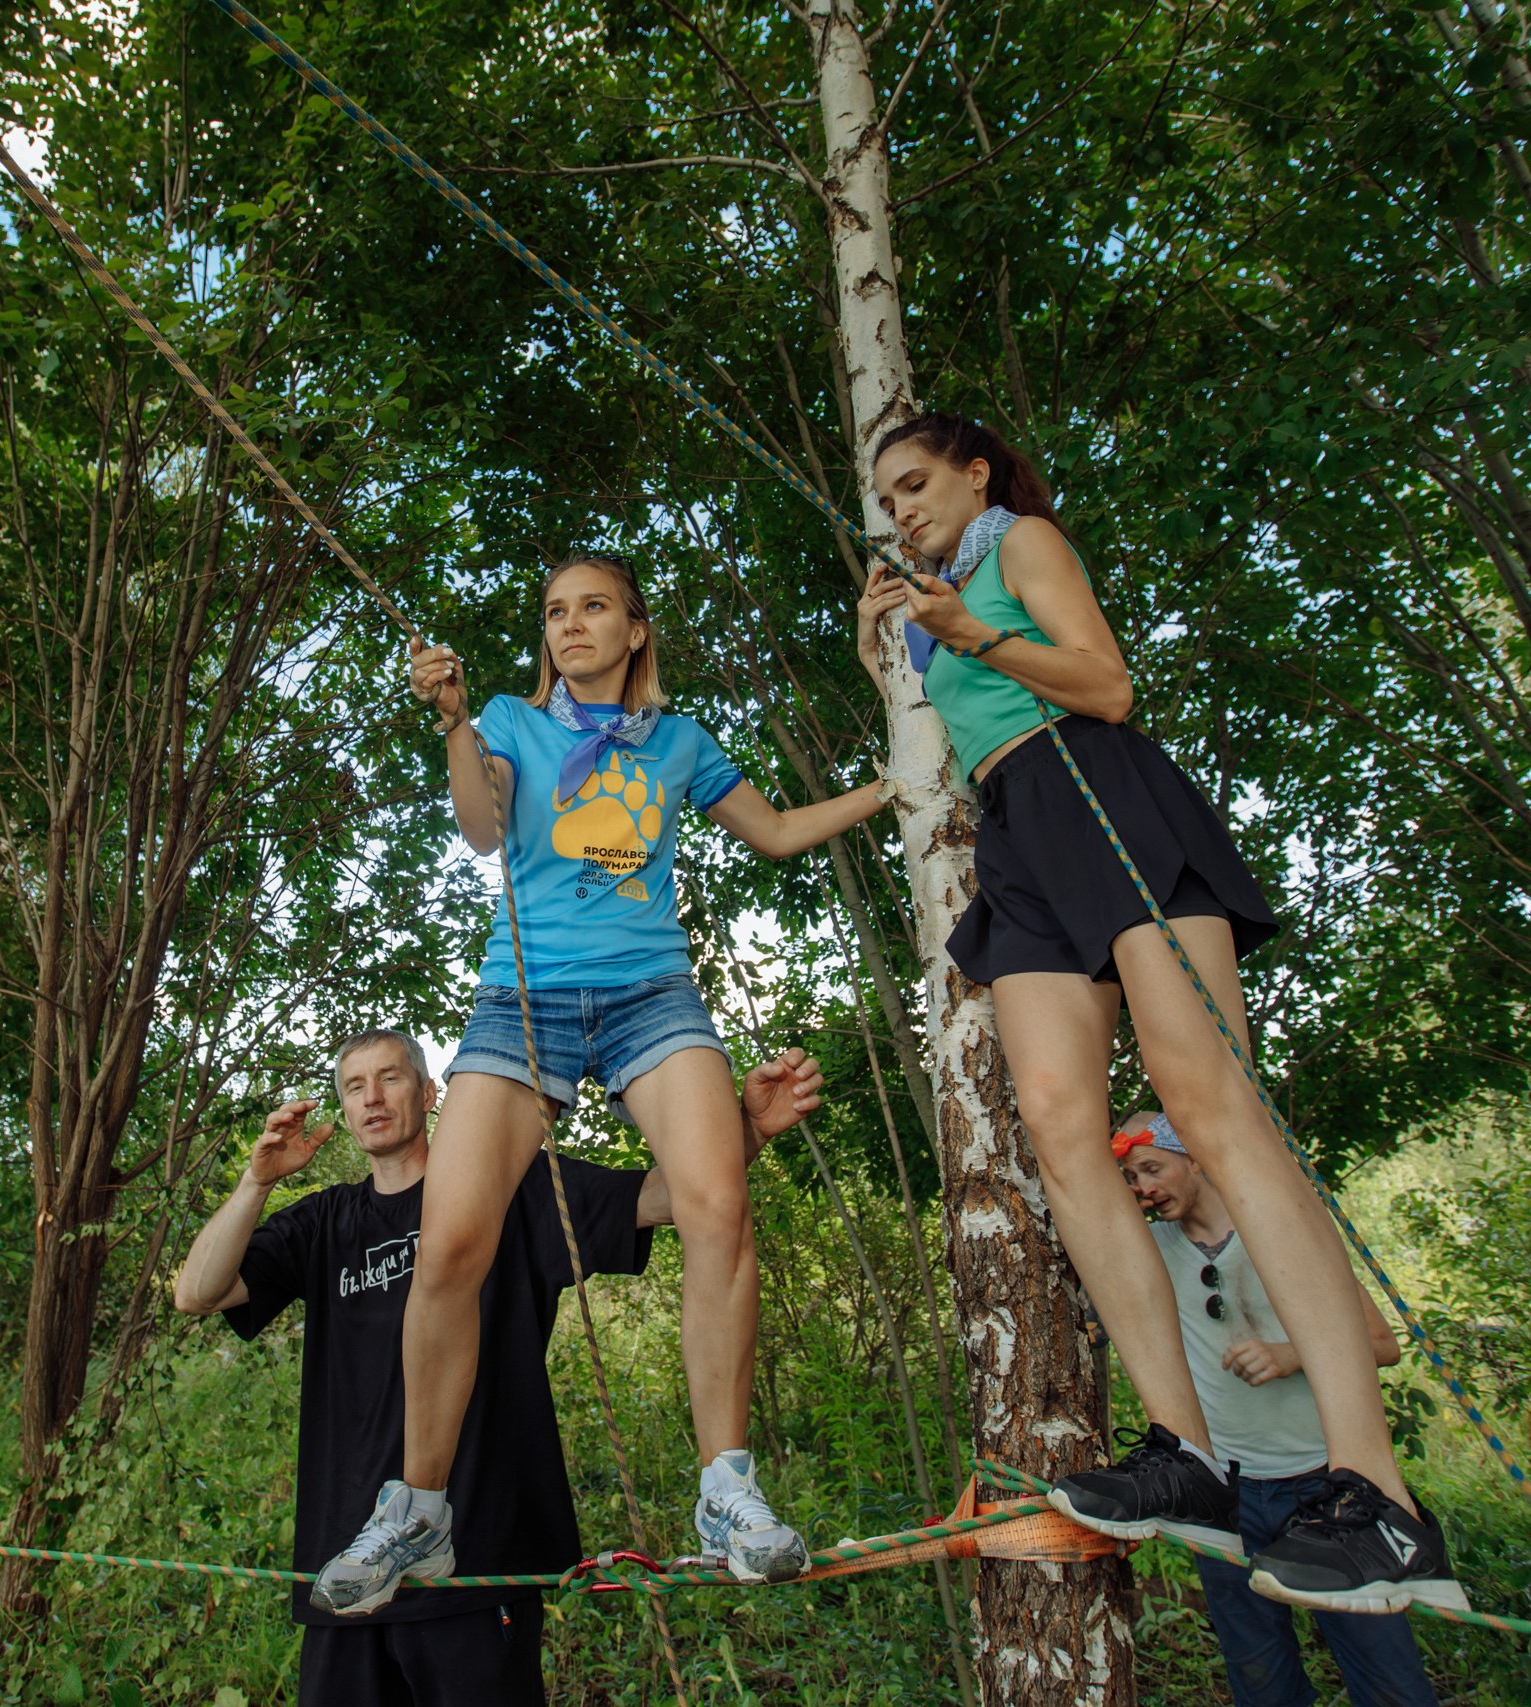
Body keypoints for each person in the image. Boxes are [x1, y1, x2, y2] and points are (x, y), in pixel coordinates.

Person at [854, 412, 1460, 1611]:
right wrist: (906, 642)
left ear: (975, 473)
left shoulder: (1019, 542)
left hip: (1093, 778)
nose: (904, 508)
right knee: (1058, 1127)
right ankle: (1183, 1452)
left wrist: (973, 630)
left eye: (918, 483)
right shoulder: (939, 597)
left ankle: (1379, 1494)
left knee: (1205, 1106)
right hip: (1014, 829)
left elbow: (1109, 683)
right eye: (888, 498)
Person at [312, 553, 890, 1615]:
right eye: (553, 613)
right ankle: (418, 1510)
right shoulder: (507, 721)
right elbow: (481, 829)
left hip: (650, 994)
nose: (568, 625)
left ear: (634, 631)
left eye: (591, 609)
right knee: (449, 1241)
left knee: (718, 1202)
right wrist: (451, 722)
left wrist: (896, 789)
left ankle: (726, 1494)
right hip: (521, 1001)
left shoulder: (677, 743)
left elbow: (773, 834)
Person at [174, 1028, 825, 1704]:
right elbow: (197, 1291)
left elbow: (663, 1196)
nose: (372, 1097)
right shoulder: (324, 1224)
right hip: (347, 1574)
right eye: (354, 1085)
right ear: (341, 1111)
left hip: (477, 1565)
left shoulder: (508, 1187)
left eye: (391, 1077)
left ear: (430, 1093)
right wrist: (256, 1180)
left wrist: (746, 1131)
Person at [1116, 1111, 1446, 1704]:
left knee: (1387, 1677)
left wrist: (1294, 1354)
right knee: (1260, 1679)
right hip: (1226, 1498)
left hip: (1326, 1494)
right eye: (1130, 1176)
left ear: (1195, 1158)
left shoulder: (1277, 1229)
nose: (1141, 1187)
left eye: (1151, 1168)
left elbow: (1383, 1344)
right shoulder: (1148, 1249)